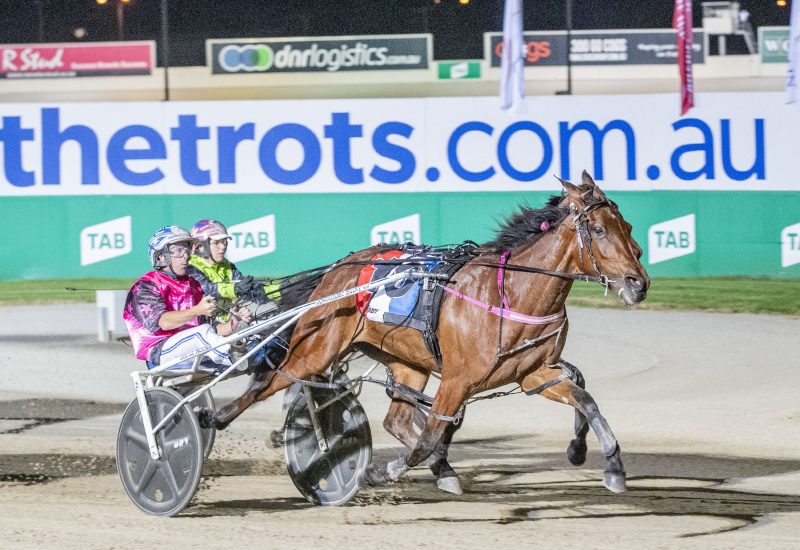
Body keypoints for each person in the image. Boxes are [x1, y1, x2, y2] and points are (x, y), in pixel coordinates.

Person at [123, 225, 252, 371]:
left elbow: (211, 331)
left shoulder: (192, 284)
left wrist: (233, 324)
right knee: (201, 333)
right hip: (159, 352)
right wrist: (197, 310)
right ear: (160, 256)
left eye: (187, 250)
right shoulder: (146, 286)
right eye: (179, 251)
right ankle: (234, 356)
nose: (186, 256)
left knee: (240, 331)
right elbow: (164, 323)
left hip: (189, 349)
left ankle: (256, 354)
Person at [187, 219, 281, 322]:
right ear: (200, 246)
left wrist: (280, 289)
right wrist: (235, 289)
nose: (223, 247)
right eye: (217, 242)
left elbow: (249, 289)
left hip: (228, 318)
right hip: (204, 324)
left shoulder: (228, 266)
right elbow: (206, 290)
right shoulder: (190, 268)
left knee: (273, 310)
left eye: (224, 242)